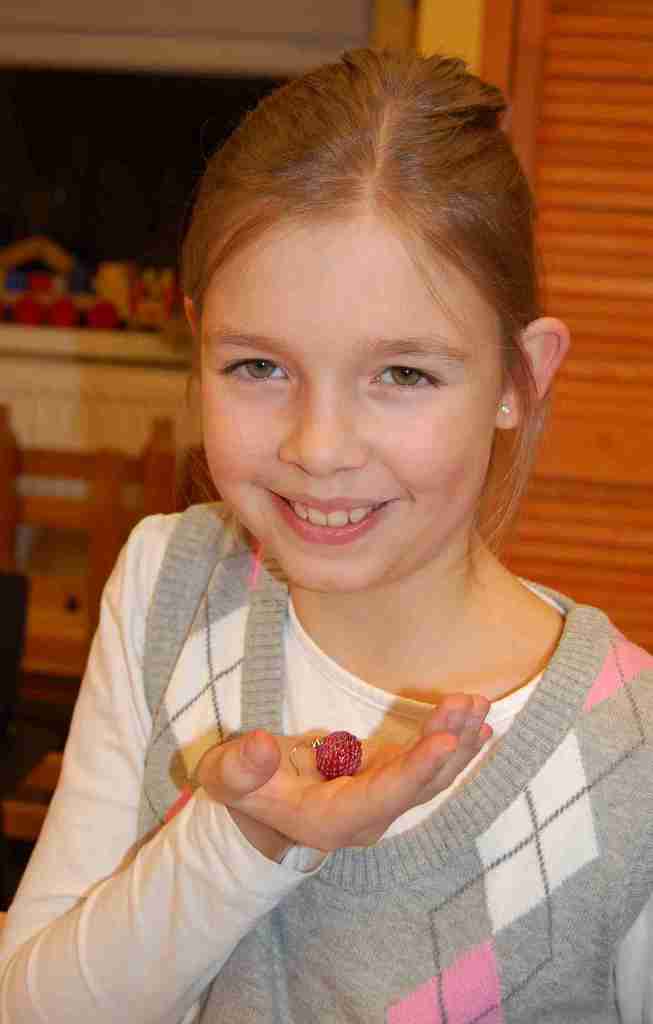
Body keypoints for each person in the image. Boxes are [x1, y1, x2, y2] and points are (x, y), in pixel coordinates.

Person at [1, 48, 651, 1024]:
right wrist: (241, 841)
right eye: (258, 366)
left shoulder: (629, 757)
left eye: (403, 375)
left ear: (519, 379)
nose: (317, 447)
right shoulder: (168, 585)